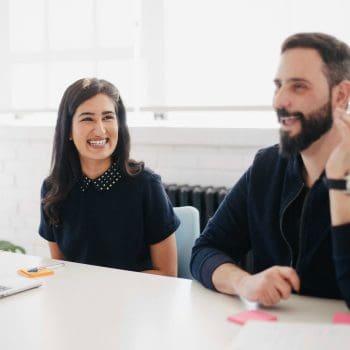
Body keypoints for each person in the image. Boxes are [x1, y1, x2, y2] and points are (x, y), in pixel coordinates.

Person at [191, 32, 350, 307]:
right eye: (279, 86)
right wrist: (245, 282)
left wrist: (338, 185)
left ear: (340, 95)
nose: (279, 101)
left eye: (298, 86)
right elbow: (205, 251)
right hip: (273, 333)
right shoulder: (267, 167)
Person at [39, 78, 179, 276]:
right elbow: (61, 269)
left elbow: (167, 274)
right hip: (78, 300)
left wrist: (105, 291)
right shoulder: (53, 189)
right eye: (87, 118)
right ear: (68, 130)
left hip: (138, 301)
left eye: (107, 117)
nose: (100, 129)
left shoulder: (146, 185)